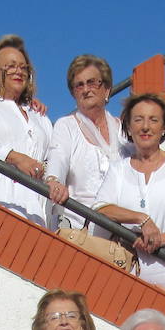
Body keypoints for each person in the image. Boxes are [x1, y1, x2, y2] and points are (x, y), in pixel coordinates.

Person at [93, 93, 165, 294]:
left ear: (164, 127)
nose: (145, 127)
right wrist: (141, 219)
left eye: (153, 120)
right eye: (138, 120)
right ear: (128, 127)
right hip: (135, 272)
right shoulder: (118, 169)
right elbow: (100, 208)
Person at [0, 35, 68, 226]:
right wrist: (14, 157)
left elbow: (53, 154)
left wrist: (53, 179)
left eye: (23, 67)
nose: (18, 71)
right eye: (10, 66)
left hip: (37, 211)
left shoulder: (39, 116)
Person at [46, 55, 131, 232]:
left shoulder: (124, 130)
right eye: (79, 85)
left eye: (92, 83)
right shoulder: (66, 126)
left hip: (122, 233)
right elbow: (57, 161)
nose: (86, 89)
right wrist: (54, 180)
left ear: (106, 89)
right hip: (81, 229)